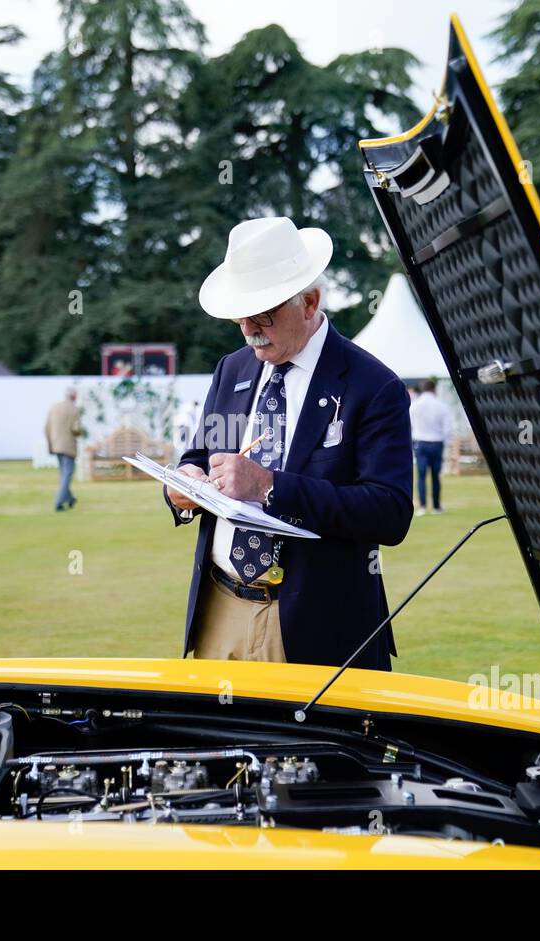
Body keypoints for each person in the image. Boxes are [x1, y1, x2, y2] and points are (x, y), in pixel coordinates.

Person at [164, 216, 412, 669]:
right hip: (220, 610)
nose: (247, 328)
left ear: (310, 301)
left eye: (263, 314)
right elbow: (203, 455)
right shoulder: (233, 370)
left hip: (319, 623)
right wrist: (181, 488)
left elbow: (390, 512)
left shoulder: (373, 386)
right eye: (240, 315)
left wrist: (268, 487)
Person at [410, 377, 450, 516]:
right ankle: (436, 506)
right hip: (436, 442)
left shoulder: (415, 405)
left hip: (420, 442)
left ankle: (422, 506)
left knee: (421, 476)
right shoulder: (441, 405)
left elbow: (410, 425)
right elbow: (447, 428)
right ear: (434, 389)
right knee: (435, 476)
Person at [45, 387, 83, 511]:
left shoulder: (54, 407)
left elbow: (47, 428)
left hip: (55, 445)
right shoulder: (74, 409)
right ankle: (59, 502)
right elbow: (76, 429)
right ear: (75, 397)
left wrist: (50, 444)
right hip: (68, 446)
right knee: (67, 475)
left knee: (63, 474)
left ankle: (70, 498)